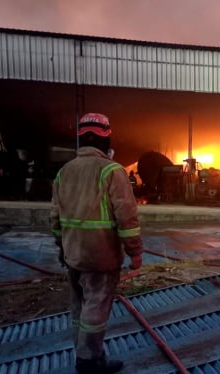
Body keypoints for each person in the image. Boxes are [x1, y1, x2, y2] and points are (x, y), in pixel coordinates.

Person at [50, 112, 143, 374]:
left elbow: (54, 218)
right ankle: (90, 361)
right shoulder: (113, 171)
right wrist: (135, 253)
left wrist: (61, 249)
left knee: (79, 307)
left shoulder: (64, 172)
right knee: (96, 307)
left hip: (73, 255)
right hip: (101, 257)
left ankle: (84, 354)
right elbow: (127, 218)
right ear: (106, 138)